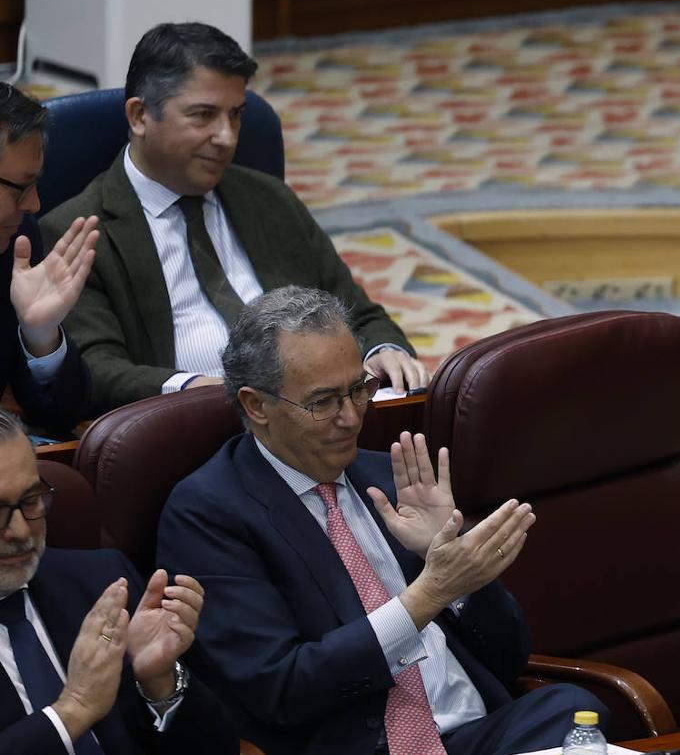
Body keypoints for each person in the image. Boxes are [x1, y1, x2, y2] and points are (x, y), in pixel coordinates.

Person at [156, 286, 606, 755]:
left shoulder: (391, 479)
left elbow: (509, 658)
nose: (351, 418)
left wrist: (460, 579)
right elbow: (280, 687)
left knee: (573, 711)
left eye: (358, 389)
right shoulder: (208, 513)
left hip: (475, 736)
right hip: (364, 746)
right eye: (323, 401)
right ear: (256, 405)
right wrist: (428, 595)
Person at [40, 22, 428, 417]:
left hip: (317, 418)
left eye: (236, 115)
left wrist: (384, 350)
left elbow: (357, 312)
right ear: (140, 116)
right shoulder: (78, 231)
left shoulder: (267, 198)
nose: (226, 137)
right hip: (191, 432)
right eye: (204, 115)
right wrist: (193, 389)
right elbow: (96, 371)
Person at [0, 409, 236, 753]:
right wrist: (73, 711)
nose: (21, 530)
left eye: (31, 499)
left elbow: (218, 748)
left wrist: (159, 683)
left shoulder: (102, 583)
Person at [0, 84, 98, 434]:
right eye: (21, 187)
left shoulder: (18, 239)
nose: (34, 205)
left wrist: (41, 337)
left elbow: (59, 418)